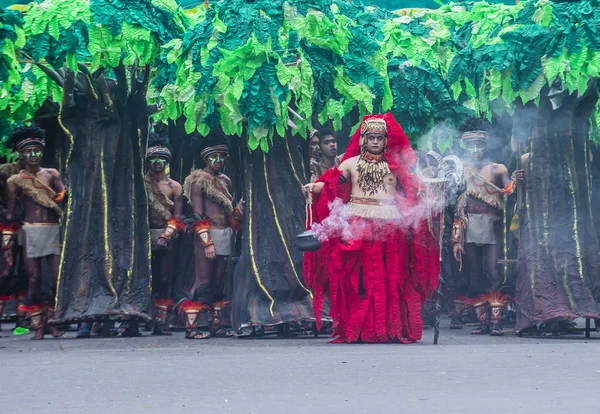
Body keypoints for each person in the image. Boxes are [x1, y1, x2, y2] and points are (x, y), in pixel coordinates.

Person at [303, 114, 439, 343]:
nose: (375, 142)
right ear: (363, 140)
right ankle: (359, 329)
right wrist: (312, 188)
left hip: (390, 226)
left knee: (390, 278)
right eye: (371, 137)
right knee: (359, 279)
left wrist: (430, 197)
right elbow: (330, 184)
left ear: (386, 141)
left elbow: (413, 190)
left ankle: (388, 329)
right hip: (357, 225)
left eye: (379, 138)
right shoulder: (350, 164)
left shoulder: (395, 165)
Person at [451, 118, 517, 335]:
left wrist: (517, 181)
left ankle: (497, 321)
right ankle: (483, 321)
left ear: (486, 146)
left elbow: (510, 192)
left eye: (480, 145)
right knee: (474, 274)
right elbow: (458, 204)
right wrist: (457, 237)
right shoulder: (461, 170)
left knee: (493, 271)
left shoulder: (497, 169)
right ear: (466, 147)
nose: (476, 150)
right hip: (470, 225)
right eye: (471, 146)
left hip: (492, 225)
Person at [5, 127, 65, 340]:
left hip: (52, 230)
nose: (33, 155)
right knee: (34, 278)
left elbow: (63, 197)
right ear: (21, 154)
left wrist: (59, 197)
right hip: (30, 231)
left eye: (36, 150)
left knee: (56, 277)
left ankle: (53, 321)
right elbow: (11, 212)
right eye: (28, 151)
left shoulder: (52, 174)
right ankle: (38, 325)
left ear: (42, 152)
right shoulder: (15, 181)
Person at [183, 137, 243, 339]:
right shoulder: (197, 181)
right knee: (204, 279)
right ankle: (191, 328)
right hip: (207, 235)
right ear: (206, 159)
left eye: (222, 156)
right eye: (214, 157)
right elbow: (198, 214)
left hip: (225, 233)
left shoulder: (226, 180)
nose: (218, 160)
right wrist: (207, 242)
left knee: (218, 281)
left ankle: (215, 325)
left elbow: (227, 212)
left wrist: (238, 212)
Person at [145, 133, 183, 335]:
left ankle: (160, 320)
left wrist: (165, 236)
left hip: (165, 236)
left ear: (167, 160)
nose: (157, 162)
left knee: (163, 278)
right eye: (153, 158)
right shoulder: (141, 183)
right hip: (143, 236)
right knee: (144, 277)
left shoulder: (174, 187)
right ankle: (142, 317)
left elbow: (177, 217)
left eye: (161, 158)